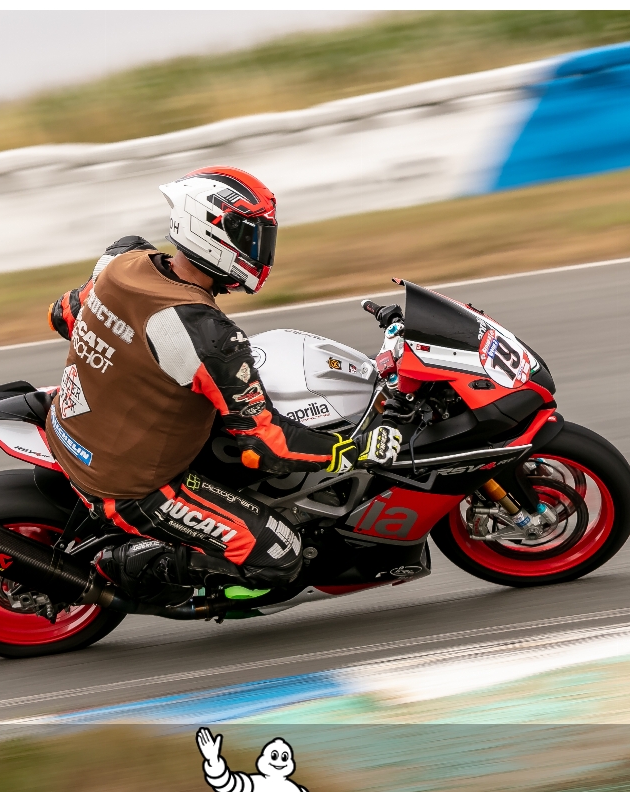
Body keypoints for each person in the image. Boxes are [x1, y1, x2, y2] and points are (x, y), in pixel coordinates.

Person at [45, 166, 401, 602]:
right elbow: (268, 446)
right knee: (282, 555)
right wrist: (356, 450)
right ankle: (119, 569)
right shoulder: (207, 333)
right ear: (210, 232)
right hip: (130, 485)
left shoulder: (122, 261)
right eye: (250, 237)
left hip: (69, 426)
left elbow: (62, 316)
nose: (260, 252)